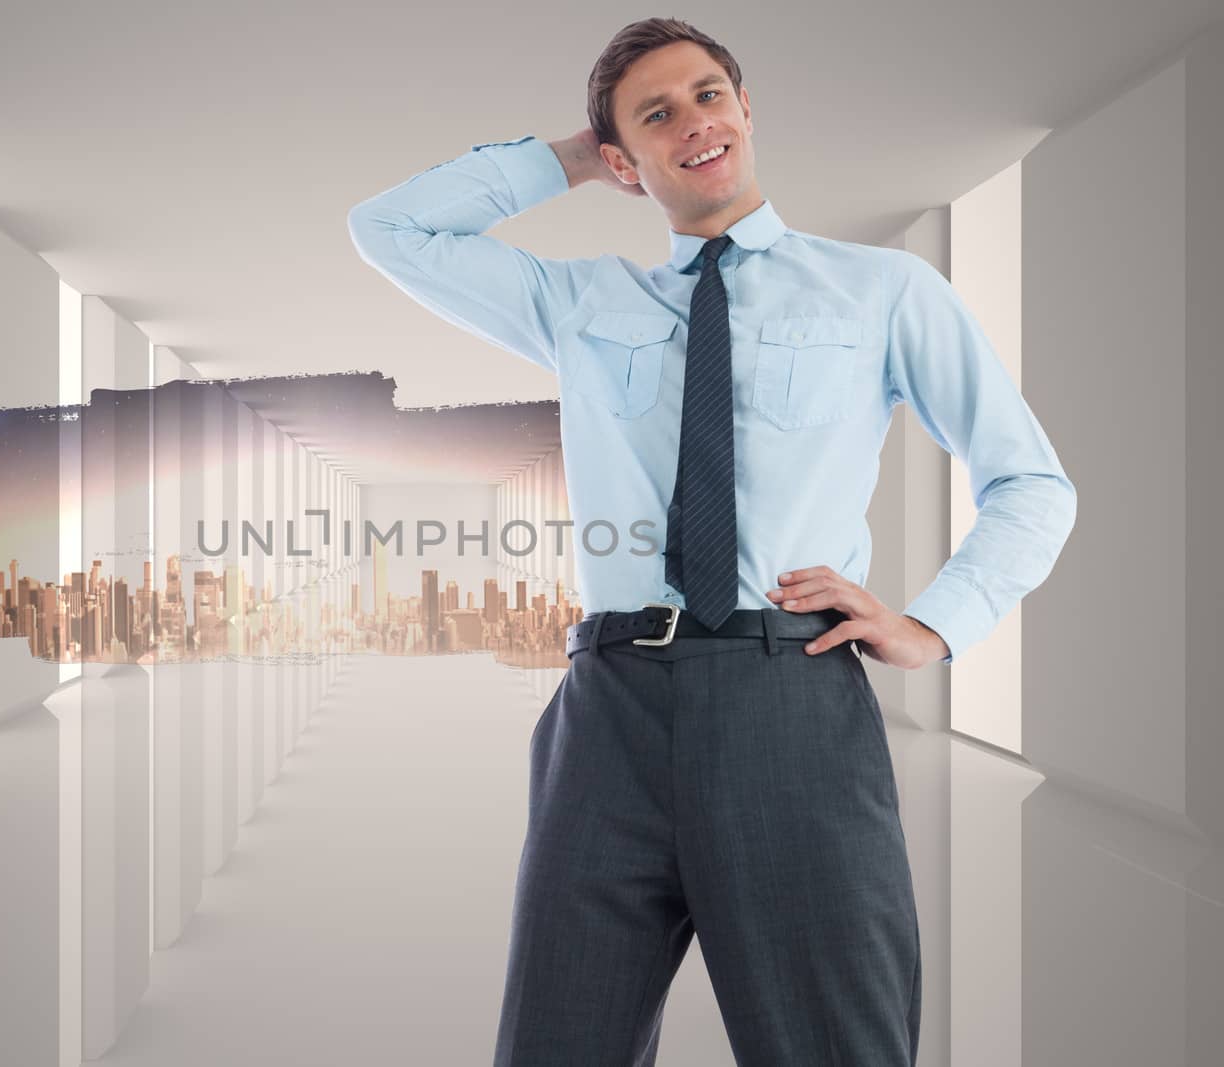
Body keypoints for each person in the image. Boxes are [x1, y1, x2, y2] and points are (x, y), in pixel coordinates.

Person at [347, 16, 1075, 1065]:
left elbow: (1030, 480)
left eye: (708, 94)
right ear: (622, 162)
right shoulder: (582, 302)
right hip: (608, 710)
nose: (695, 122)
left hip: (788, 703)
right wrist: (574, 154)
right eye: (657, 115)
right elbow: (390, 229)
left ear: (744, 110)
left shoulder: (880, 289)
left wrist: (934, 622)